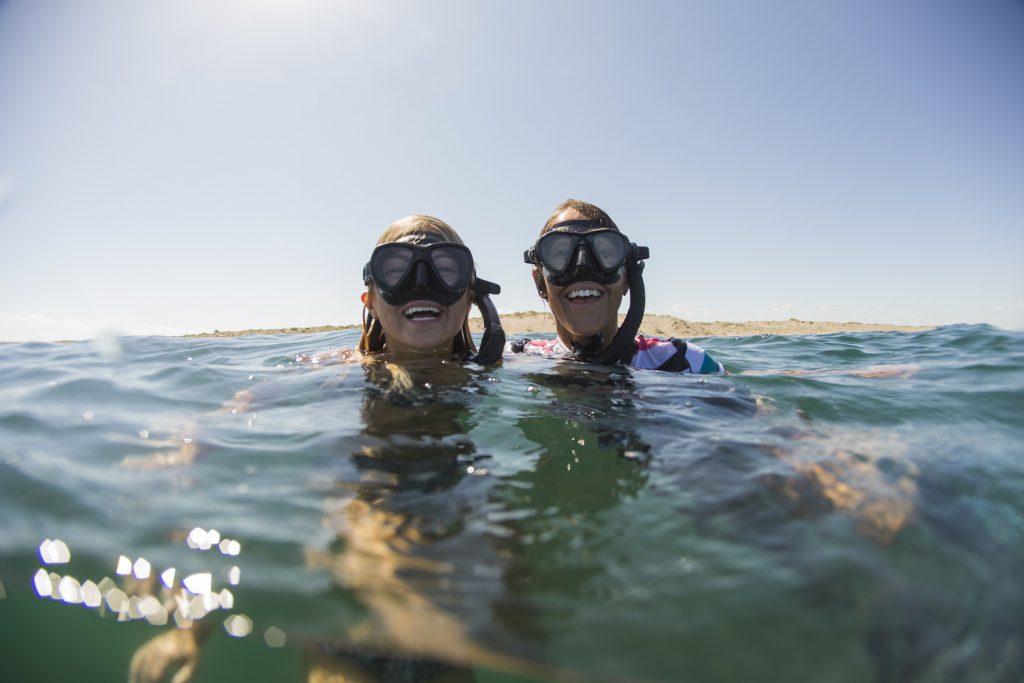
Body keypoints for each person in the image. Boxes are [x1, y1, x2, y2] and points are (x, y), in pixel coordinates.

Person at [514, 198, 724, 374]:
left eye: (604, 253)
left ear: (627, 278)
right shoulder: (516, 357)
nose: (582, 267)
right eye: (560, 254)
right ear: (539, 282)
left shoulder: (682, 362)